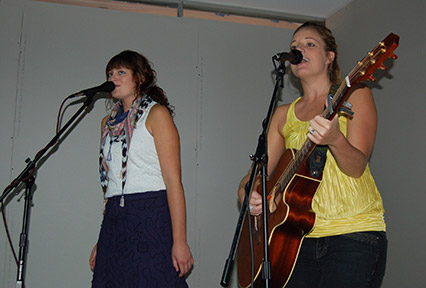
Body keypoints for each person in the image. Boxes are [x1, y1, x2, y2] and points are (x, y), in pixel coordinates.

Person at [238, 22, 387, 288]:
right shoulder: (283, 115)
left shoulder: (355, 95)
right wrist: (250, 195)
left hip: (353, 235)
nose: (298, 50)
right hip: (294, 241)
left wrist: (335, 139)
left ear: (329, 57)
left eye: (309, 44)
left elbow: (357, 166)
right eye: (294, 46)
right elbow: (254, 177)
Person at [89, 50, 193, 287]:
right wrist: (101, 239)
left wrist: (179, 240)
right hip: (116, 217)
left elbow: (173, 180)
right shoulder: (107, 123)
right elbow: (112, 184)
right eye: (110, 73)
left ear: (140, 78)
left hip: (150, 213)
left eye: (121, 72)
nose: (113, 77)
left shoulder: (156, 114)